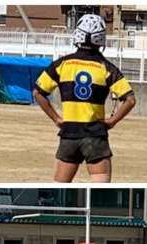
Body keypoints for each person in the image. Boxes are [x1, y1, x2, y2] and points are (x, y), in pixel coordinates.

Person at [33, 14, 136, 182]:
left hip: (69, 134)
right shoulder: (106, 68)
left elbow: (38, 93)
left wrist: (56, 118)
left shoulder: (62, 64)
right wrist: (112, 121)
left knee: (59, 186)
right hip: (95, 135)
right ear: (101, 39)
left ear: (77, 35)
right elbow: (130, 100)